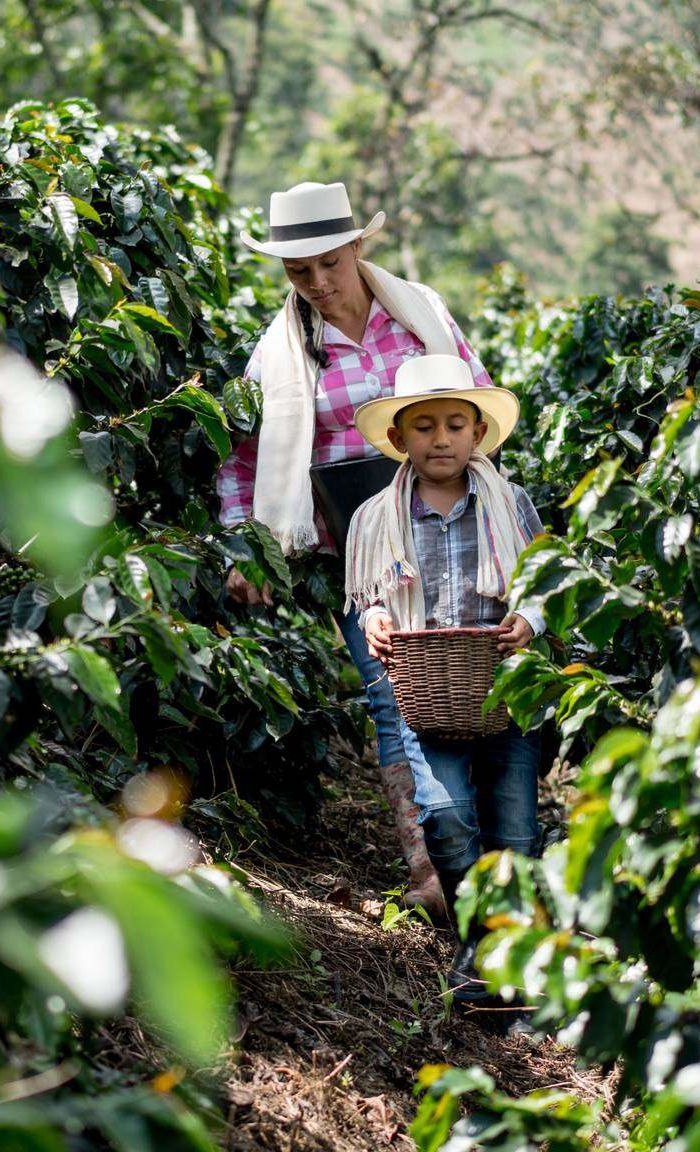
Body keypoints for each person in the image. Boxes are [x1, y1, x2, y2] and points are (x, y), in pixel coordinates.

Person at [221, 181, 499, 920]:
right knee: (390, 691)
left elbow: (478, 401)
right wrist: (243, 548)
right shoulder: (280, 353)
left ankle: (488, 850)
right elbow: (240, 461)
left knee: (466, 681)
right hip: (362, 546)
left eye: (329, 263)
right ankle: (433, 866)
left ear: (357, 248)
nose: (316, 283)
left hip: (452, 526)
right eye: (298, 272)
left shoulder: (420, 317)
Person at [344, 353, 545, 1002]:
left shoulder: (510, 504)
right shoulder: (379, 516)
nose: (441, 438)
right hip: (427, 697)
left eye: (455, 424)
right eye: (424, 426)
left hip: (507, 692)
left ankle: (503, 954)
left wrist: (530, 621)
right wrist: (376, 620)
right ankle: (478, 933)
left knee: (514, 830)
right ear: (399, 439)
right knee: (448, 813)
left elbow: (544, 580)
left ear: (478, 434)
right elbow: (371, 594)